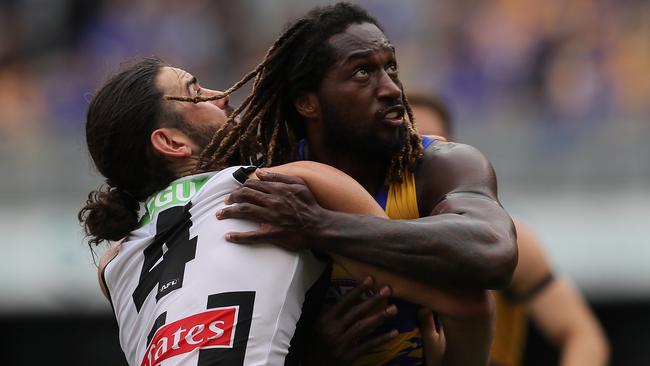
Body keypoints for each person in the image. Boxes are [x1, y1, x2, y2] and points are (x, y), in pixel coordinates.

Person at [79, 58, 492, 366]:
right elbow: (467, 303)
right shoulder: (289, 184)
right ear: (171, 143)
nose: (219, 95)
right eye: (195, 91)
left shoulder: (113, 266)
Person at [208, 3, 518, 365]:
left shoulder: (438, 165)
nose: (391, 89)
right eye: (361, 72)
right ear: (308, 102)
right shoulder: (273, 185)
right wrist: (308, 355)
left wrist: (318, 226)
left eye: (390, 67)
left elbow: (493, 252)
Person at [408, 92, 610, 366]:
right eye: (410, 144)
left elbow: (583, 336)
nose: (419, 157)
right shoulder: (365, 237)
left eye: (433, 144)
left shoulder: (505, 241)